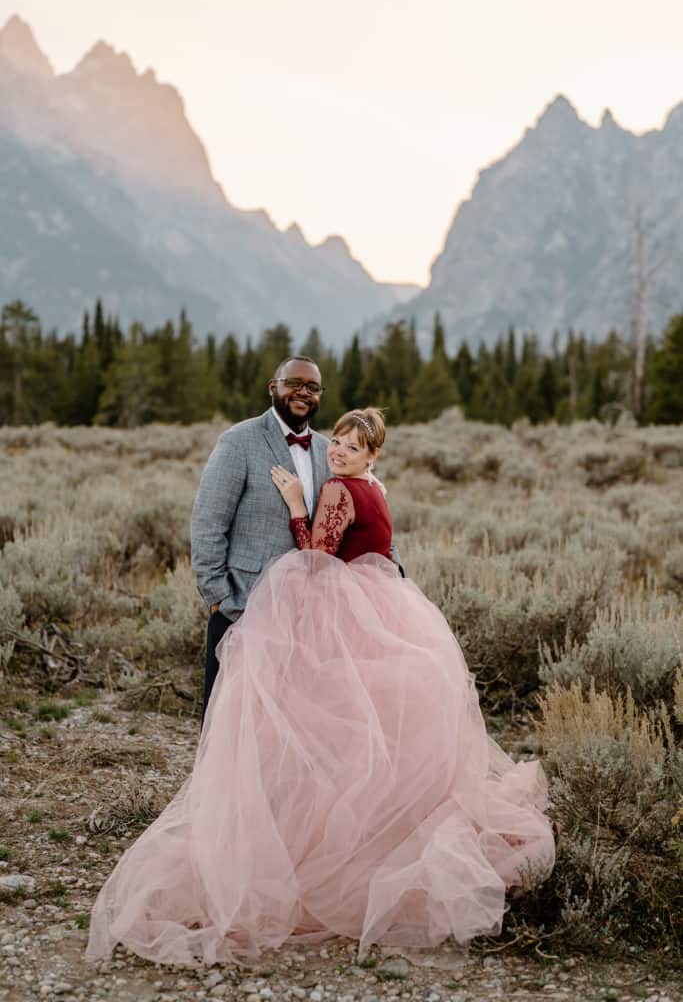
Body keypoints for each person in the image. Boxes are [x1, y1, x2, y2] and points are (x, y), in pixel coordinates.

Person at [87, 407, 555, 967]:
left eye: (354, 447)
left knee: (320, 724)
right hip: (386, 610)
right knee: (370, 737)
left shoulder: (338, 489)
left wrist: (293, 507)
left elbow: (314, 556)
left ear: (371, 455)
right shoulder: (374, 486)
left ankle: (316, 852)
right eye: (339, 442)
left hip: (345, 613)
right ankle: (367, 838)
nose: (340, 452)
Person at [190, 355, 330, 722]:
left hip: (303, 611)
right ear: (273, 388)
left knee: (288, 720)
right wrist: (218, 596)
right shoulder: (239, 441)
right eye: (294, 383)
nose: (303, 392)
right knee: (229, 719)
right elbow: (208, 522)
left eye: (312, 387)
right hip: (243, 601)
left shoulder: (327, 450)